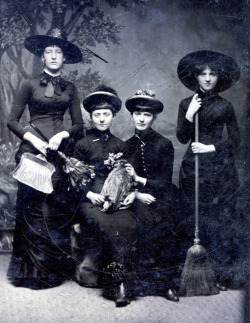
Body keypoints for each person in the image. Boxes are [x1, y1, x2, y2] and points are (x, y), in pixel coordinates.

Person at [7, 28, 83, 289]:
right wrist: (36, 141)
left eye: (58, 51)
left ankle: (54, 269)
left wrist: (62, 134)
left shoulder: (70, 88)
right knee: (32, 209)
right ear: (42, 57)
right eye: (48, 51)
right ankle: (31, 273)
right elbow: (11, 120)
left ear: (64, 58)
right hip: (32, 148)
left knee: (55, 207)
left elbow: (78, 125)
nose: (53, 56)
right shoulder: (29, 84)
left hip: (59, 152)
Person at [176, 50, 243, 289]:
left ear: (218, 77)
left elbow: (236, 141)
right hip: (192, 167)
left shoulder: (226, 106)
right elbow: (182, 138)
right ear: (195, 77)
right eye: (202, 73)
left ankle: (218, 275)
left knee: (217, 220)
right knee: (192, 217)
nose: (207, 78)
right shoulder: (186, 103)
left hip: (218, 169)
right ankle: (190, 274)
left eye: (212, 73)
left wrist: (210, 147)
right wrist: (190, 113)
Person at [73, 85, 137, 307]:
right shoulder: (81, 145)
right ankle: (117, 286)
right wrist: (89, 194)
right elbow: (73, 180)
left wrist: (130, 194)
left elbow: (126, 177)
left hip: (115, 198)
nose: (101, 119)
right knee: (107, 225)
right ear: (91, 116)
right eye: (97, 115)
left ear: (113, 116)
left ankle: (120, 282)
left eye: (106, 114)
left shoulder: (120, 145)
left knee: (127, 223)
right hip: (89, 200)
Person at [125, 90, 180, 302]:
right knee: (139, 223)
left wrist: (141, 182)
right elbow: (124, 183)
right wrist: (137, 193)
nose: (141, 118)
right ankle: (140, 283)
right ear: (132, 116)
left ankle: (167, 284)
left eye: (147, 115)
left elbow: (165, 182)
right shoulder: (126, 145)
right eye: (138, 113)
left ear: (153, 118)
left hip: (164, 195)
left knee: (166, 223)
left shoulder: (164, 144)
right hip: (137, 198)